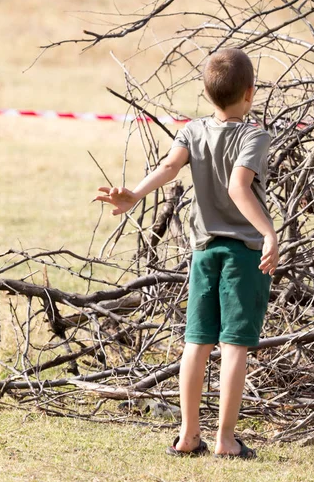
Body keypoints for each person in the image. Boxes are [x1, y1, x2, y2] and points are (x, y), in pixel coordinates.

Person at [95, 48, 278, 459]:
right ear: (250, 93)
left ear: (208, 93)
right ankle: (225, 439)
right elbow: (238, 187)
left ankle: (188, 434)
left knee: (196, 342)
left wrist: (134, 194)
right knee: (234, 345)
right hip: (243, 253)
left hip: (203, 251)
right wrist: (269, 233)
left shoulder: (193, 131)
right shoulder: (254, 136)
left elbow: (168, 168)